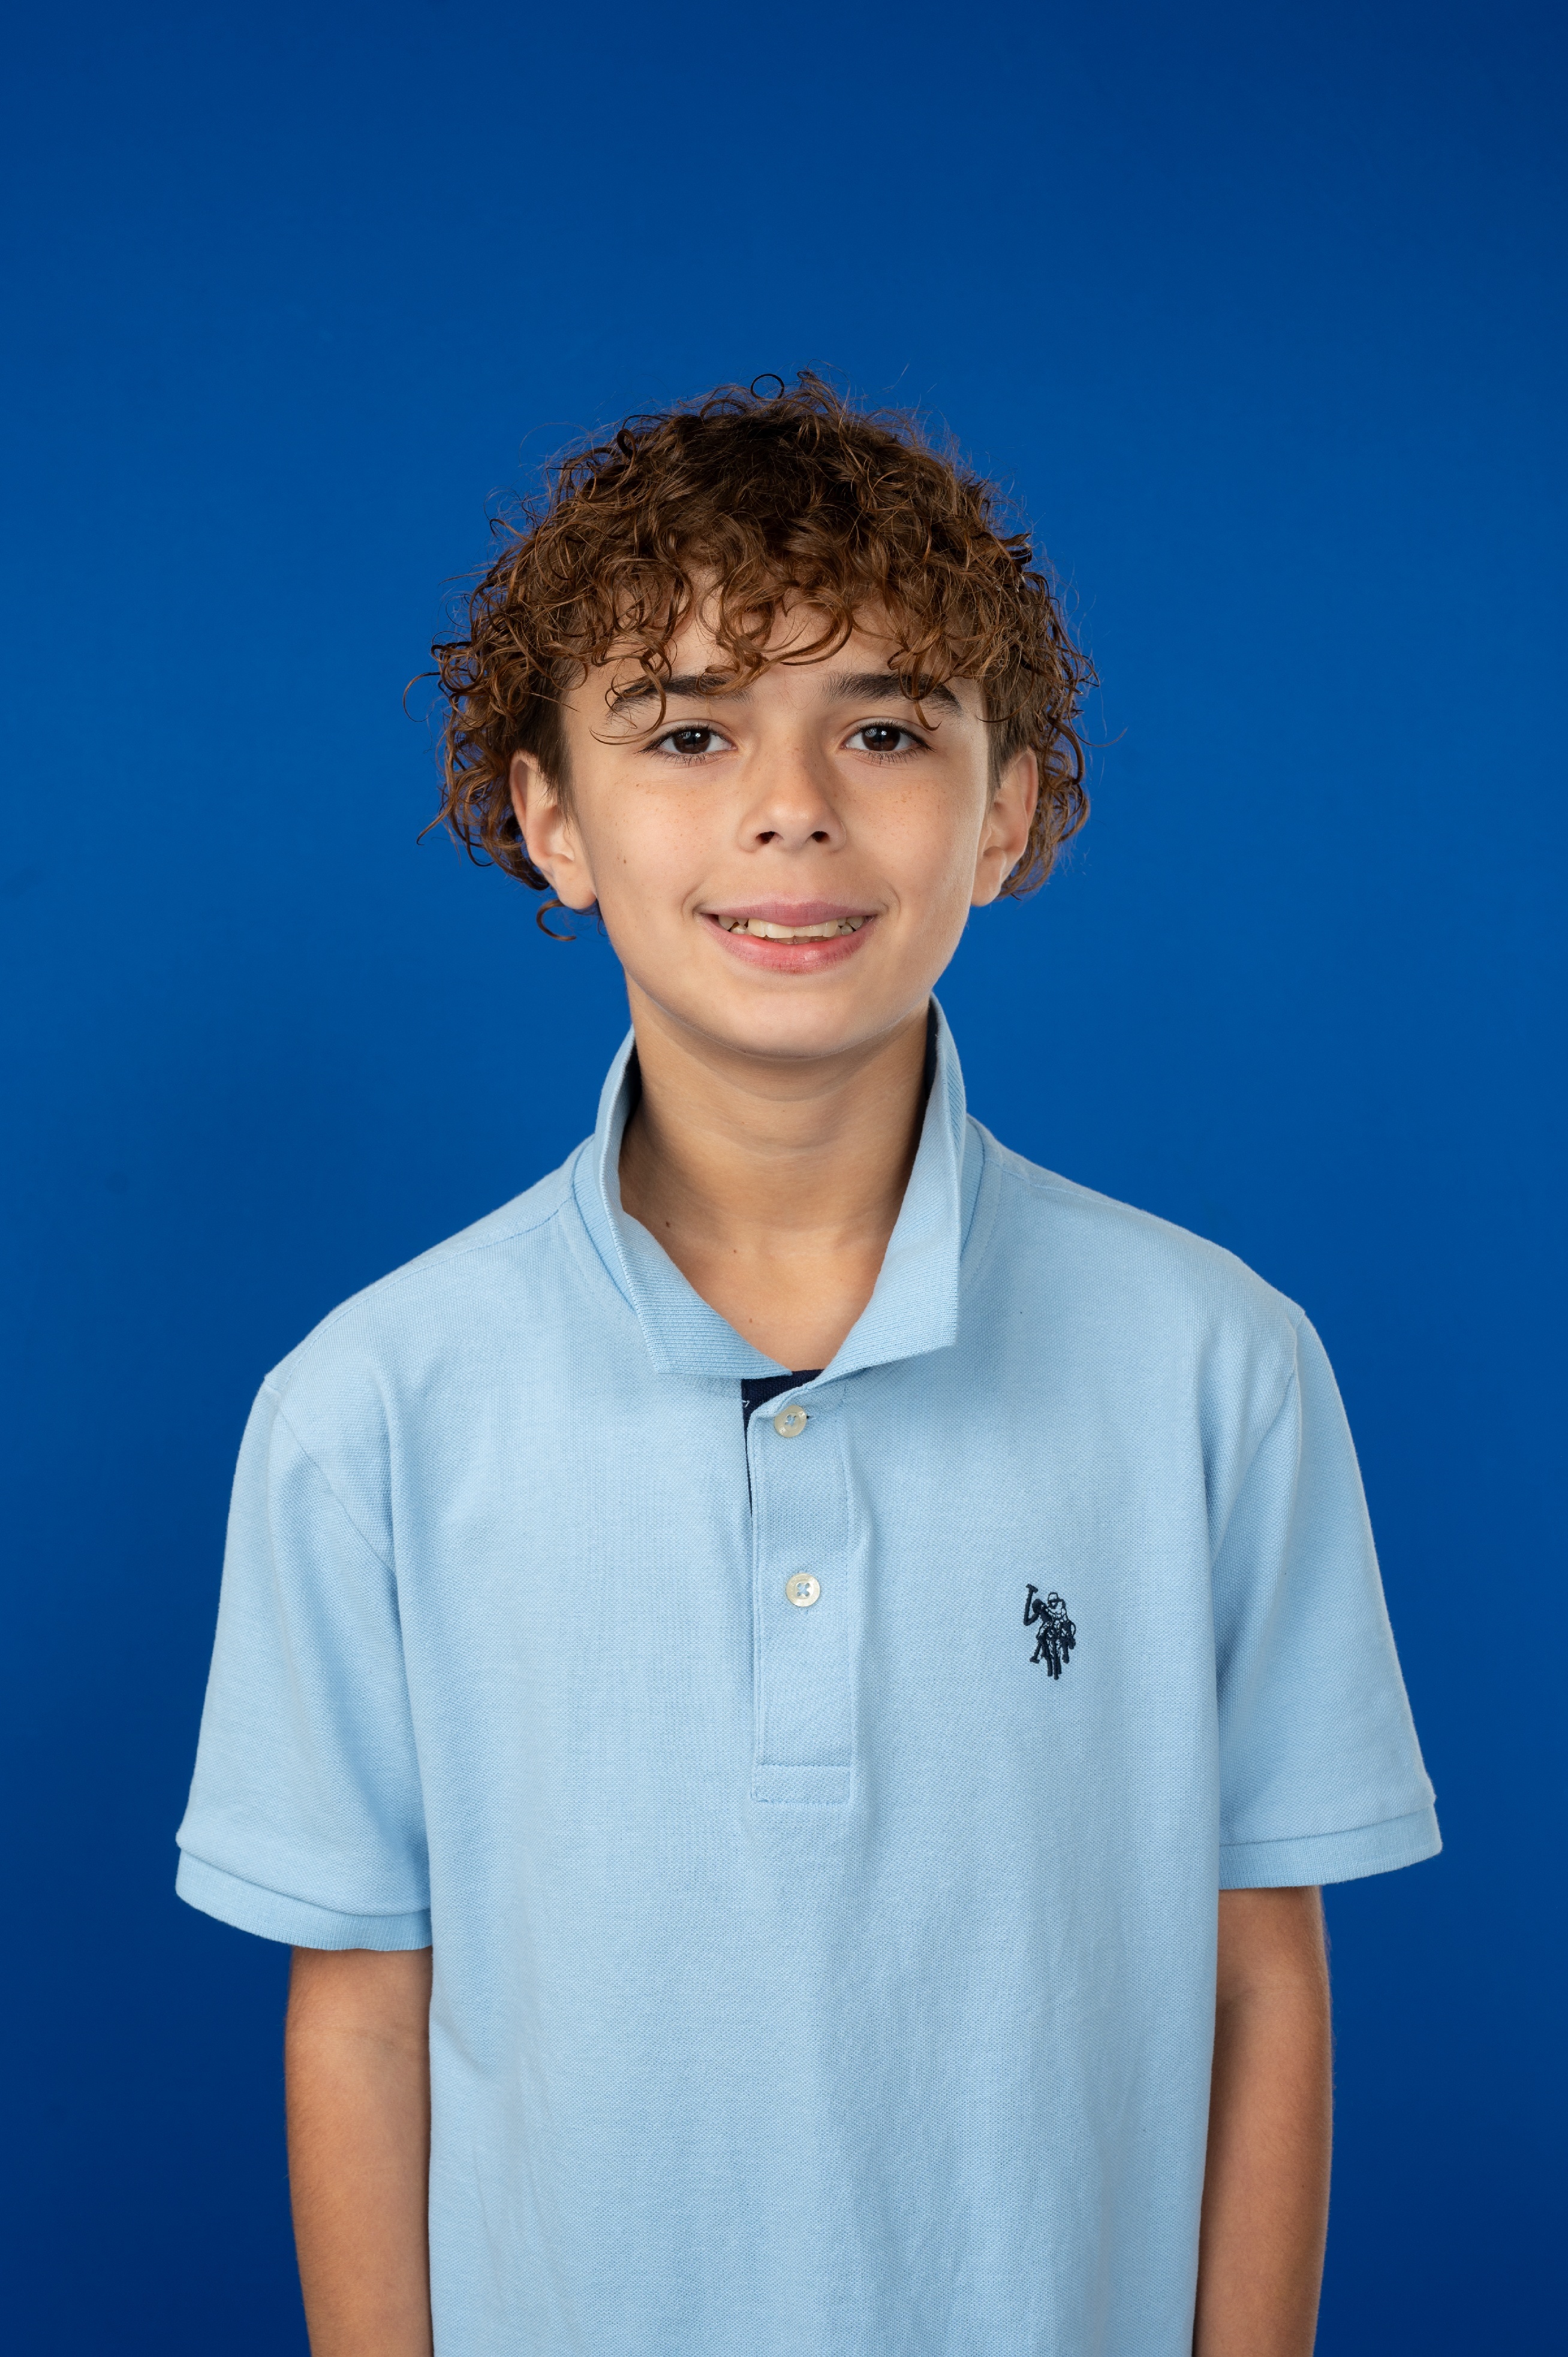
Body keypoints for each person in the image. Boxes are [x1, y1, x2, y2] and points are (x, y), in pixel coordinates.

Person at [176, 374, 1438, 2357]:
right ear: (550, 818)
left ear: (1008, 810)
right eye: (688, 730)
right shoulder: (373, 1410)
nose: (793, 806)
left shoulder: (1219, 1369)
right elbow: (361, 2011)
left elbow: (1259, 1978)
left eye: (886, 727)